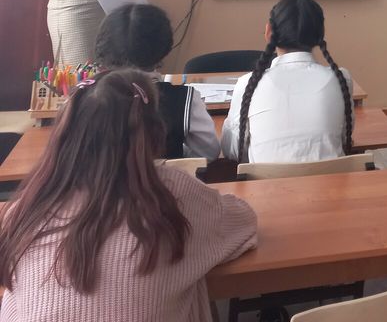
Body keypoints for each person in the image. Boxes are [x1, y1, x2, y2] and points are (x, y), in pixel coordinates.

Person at [0, 69, 257, 322]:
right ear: (154, 132)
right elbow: (245, 222)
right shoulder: (175, 196)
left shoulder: (24, 211)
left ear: (64, 131)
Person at [221, 0, 354, 163]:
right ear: (320, 34)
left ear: (268, 32)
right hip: (333, 180)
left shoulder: (247, 84)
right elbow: (344, 138)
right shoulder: (341, 79)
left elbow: (233, 151)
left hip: (263, 180)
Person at [94, 3, 219, 160]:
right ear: (164, 46)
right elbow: (209, 153)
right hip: (168, 176)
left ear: (105, 47)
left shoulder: (87, 97)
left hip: (101, 176)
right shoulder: (183, 99)